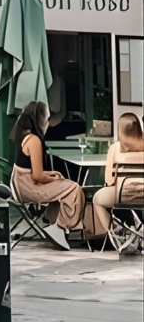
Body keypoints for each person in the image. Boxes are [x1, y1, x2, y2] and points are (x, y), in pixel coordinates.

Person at [10, 100, 85, 251]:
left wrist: (52, 175)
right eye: (47, 118)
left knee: (63, 184)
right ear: (40, 119)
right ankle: (60, 226)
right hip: (28, 187)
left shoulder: (25, 136)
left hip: (21, 183)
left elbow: (31, 170)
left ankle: (53, 221)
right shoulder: (34, 140)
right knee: (73, 188)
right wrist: (52, 178)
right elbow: (37, 176)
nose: (48, 122)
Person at [91, 113, 144, 239]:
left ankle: (117, 236)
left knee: (97, 199)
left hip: (123, 195)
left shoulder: (115, 148)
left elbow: (109, 181)